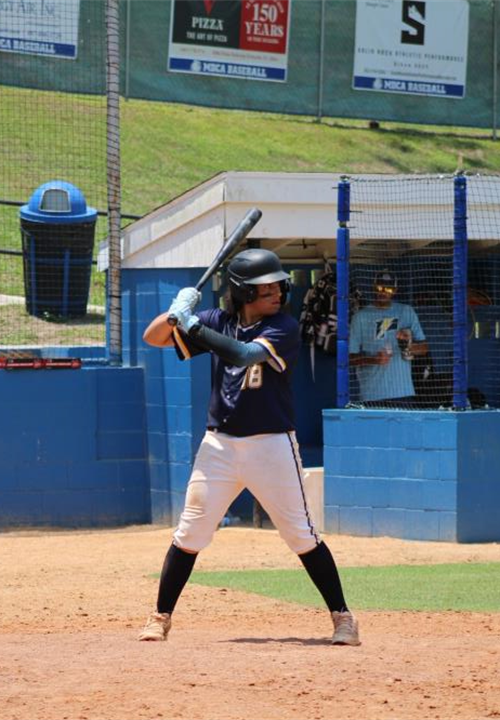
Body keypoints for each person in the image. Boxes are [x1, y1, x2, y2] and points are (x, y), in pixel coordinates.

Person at [139, 248, 360, 646]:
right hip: (219, 445)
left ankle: (343, 618)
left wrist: (193, 325)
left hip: (271, 445)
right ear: (243, 292)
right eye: (265, 288)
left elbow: (243, 354)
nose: (276, 293)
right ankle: (160, 617)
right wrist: (175, 313)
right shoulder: (218, 321)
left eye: (277, 286)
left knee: (301, 534)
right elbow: (152, 337)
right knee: (190, 532)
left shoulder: (283, 327)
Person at [349, 269, 429, 406]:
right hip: (372, 393)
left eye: (388, 289)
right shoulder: (360, 317)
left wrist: (408, 345)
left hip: (402, 391)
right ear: (374, 288)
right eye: (380, 288)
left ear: (395, 291)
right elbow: (349, 358)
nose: (383, 292)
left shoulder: (406, 311)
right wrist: (374, 360)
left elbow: (424, 348)